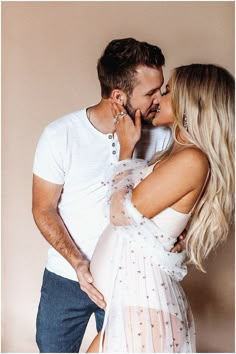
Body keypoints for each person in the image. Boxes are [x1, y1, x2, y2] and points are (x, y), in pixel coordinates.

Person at [32, 38, 185, 353]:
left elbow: (179, 196)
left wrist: (182, 234)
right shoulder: (60, 135)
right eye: (150, 93)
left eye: (161, 90)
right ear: (119, 96)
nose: (161, 99)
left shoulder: (163, 137)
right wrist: (77, 263)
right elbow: (43, 208)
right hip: (66, 277)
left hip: (129, 282)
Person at [87, 64, 235, 352]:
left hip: (145, 307)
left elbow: (120, 214)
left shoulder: (192, 160)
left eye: (167, 92)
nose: (157, 99)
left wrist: (126, 149)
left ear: (190, 104)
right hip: (134, 304)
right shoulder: (174, 155)